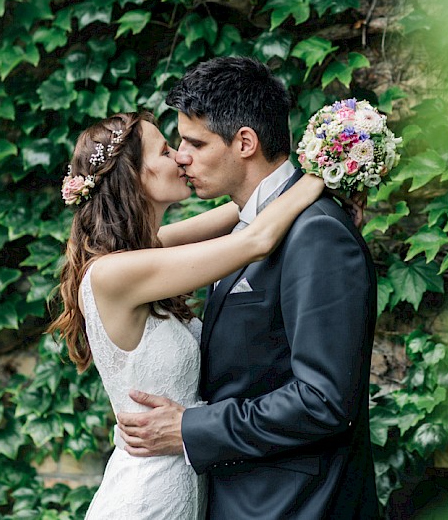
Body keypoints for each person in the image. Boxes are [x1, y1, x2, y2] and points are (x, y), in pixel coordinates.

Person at [116, 57, 380, 519]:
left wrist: (191, 428)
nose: (181, 156)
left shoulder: (317, 233)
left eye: (195, 142)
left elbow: (323, 400)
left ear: (244, 142)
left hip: (296, 506)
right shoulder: (247, 225)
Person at [49, 110, 325, 520]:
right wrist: (326, 174)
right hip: (146, 501)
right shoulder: (115, 273)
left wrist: (281, 180)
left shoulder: (145, 253)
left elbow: (246, 209)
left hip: (184, 487)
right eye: (165, 151)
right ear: (134, 177)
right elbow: (257, 239)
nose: (180, 157)